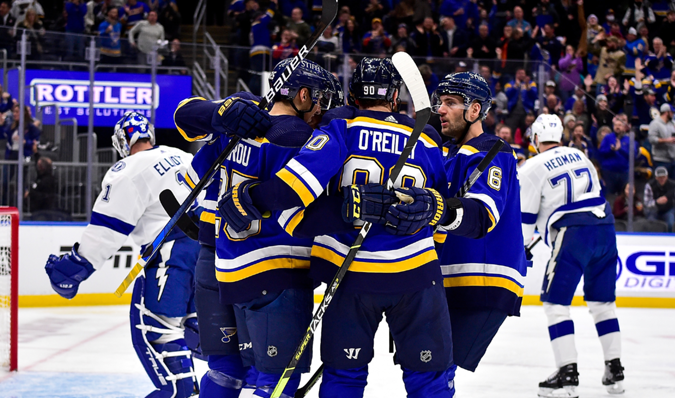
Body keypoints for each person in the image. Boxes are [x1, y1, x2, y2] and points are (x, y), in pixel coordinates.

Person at [220, 57, 454, 397]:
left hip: (350, 277)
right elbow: (440, 214)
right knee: (430, 379)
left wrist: (250, 196)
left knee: (344, 377)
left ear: (353, 96)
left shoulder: (339, 126)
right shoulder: (428, 139)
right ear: (394, 98)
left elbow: (294, 190)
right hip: (417, 275)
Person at [177, 59, 337, 398]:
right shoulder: (303, 138)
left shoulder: (236, 121)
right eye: (320, 99)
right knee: (276, 382)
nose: (322, 110)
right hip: (275, 273)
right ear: (303, 95)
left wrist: (219, 115)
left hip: (218, 266)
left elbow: (191, 173)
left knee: (223, 372)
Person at [383, 72, 526, 395]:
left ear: (475, 110)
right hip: (448, 278)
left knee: (434, 366)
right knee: (423, 363)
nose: (441, 110)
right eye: (439, 103)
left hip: (483, 279)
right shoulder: (446, 153)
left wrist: (433, 208)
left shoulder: (492, 151)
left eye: (450, 103)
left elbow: (481, 215)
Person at [43, 112, 201, 398]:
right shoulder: (180, 154)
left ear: (121, 141)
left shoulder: (129, 168)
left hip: (171, 257)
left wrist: (75, 267)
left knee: (157, 332)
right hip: (209, 256)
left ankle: (183, 390)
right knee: (197, 332)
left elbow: (107, 229)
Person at [519, 114, 625, 398]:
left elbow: (525, 221)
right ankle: (615, 371)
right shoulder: (580, 155)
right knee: (603, 304)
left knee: (556, 305)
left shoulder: (531, 166)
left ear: (536, 138)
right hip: (605, 227)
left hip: (573, 233)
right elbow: (586, 198)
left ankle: (567, 374)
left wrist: (518, 250)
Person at [598, 117, 636, 194]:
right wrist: (611, 150)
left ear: (624, 127)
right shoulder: (607, 138)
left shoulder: (629, 139)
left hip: (624, 172)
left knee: (623, 194)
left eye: (620, 125)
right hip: (609, 172)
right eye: (615, 125)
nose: (617, 127)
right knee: (609, 195)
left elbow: (633, 155)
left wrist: (620, 149)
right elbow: (601, 152)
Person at [649, 103, 675, 180]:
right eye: (671, 112)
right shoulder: (655, 124)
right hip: (661, 160)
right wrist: (666, 140)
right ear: (666, 112)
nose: (673, 114)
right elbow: (651, 139)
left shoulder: (674, 123)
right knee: (661, 184)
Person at [644, 166, 675, 231]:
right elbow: (646, 203)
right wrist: (656, 202)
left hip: (668, 209)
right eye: (660, 177)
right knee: (651, 225)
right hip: (654, 210)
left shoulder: (674, 185)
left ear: (667, 176)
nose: (662, 179)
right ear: (656, 177)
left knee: (671, 224)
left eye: (663, 177)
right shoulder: (649, 186)